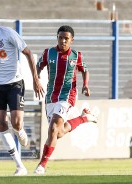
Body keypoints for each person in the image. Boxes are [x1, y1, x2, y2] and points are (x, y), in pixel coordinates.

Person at [0, 9, 43, 176]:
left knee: (17, 123)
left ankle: (20, 131)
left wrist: (35, 79)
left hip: (14, 84)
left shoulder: (9, 34)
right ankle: (20, 166)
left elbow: (28, 54)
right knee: (1, 123)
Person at [34, 25, 98, 174]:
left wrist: (85, 85)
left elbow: (85, 70)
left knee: (53, 128)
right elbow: (38, 66)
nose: (63, 41)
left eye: (66, 39)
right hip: (50, 96)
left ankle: (42, 165)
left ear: (71, 40)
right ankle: (83, 118)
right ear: (57, 38)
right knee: (58, 132)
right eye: (60, 38)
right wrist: (36, 81)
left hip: (67, 95)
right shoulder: (48, 53)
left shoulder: (76, 56)